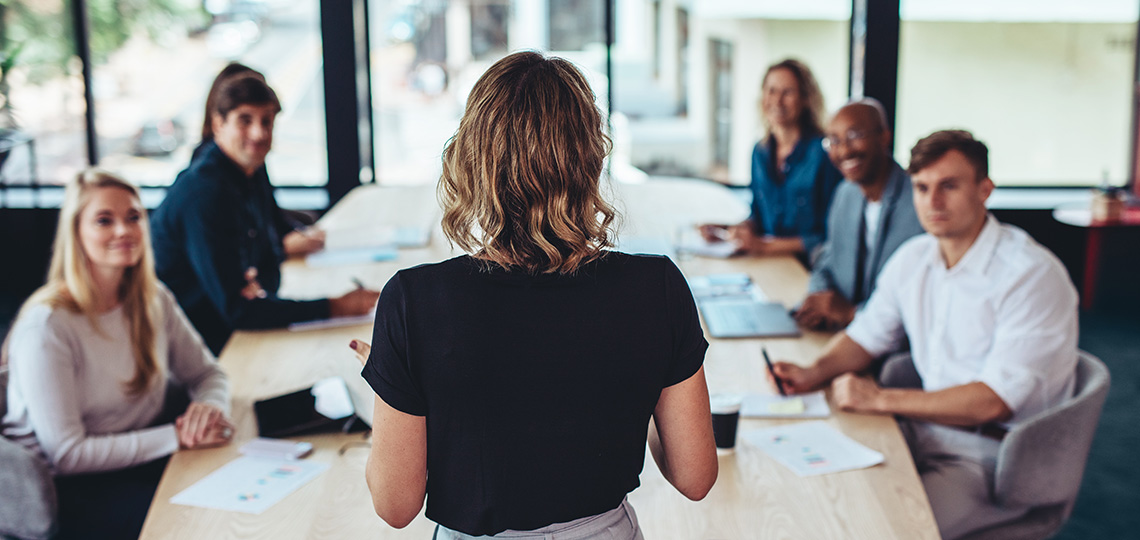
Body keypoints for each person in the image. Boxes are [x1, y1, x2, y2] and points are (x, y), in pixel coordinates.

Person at [350, 51, 718, 539]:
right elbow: (695, 476)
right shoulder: (659, 287)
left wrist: (398, 383)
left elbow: (395, 505)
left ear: (472, 159)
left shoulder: (414, 301)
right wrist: (640, 384)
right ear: (592, 157)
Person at [769, 130, 1079, 540]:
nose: (932, 202)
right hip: (918, 431)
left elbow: (994, 401)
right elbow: (867, 335)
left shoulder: (1030, 275)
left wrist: (880, 399)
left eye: (948, 186)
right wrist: (813, 371)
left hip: (991, 458)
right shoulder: (914, 258)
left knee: (875, 531)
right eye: (921, 187)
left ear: (984, 189)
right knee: (810, 499)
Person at [1, 170, 233, 539]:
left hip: (136, 455)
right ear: (76, 233)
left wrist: (209, 408)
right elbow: (67, 453)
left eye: (133, 217)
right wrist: (177, 436)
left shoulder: (153, 298)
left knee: (229, 489)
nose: (123, 230)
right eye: (104, 220)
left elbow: (209, 375)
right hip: (65, 491)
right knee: (195, 524)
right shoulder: (47, 325)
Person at [150, 71, 379, 355]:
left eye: (267, 121)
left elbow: (268, 253)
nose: (259, 133)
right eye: (245, 120)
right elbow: (238, 310)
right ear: (218, 124)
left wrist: (254, 281)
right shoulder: (204, 194)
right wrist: (336, 306)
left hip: (229, 323)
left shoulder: (249, 168)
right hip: (196, 343)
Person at [794, 99, 923, 330]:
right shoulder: (845, 194)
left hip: (891, 343)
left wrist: (852, 314)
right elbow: (826, 261)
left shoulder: (920, 202)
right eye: (834, 140)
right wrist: (819, 299)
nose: (844, 150)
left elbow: (918, 301)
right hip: (843, 333)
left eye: (854, 135)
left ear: (884, 137)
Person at [700, 59, 842, 260]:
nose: (777, 101)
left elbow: (829, 234)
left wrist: (764, 246)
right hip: (770, 262)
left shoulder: (824, 154)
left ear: (805, 99)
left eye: (787, 92)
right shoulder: (760, 152)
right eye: (771, 91)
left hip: (808, 266)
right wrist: (732, 230)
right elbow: (758, 215)